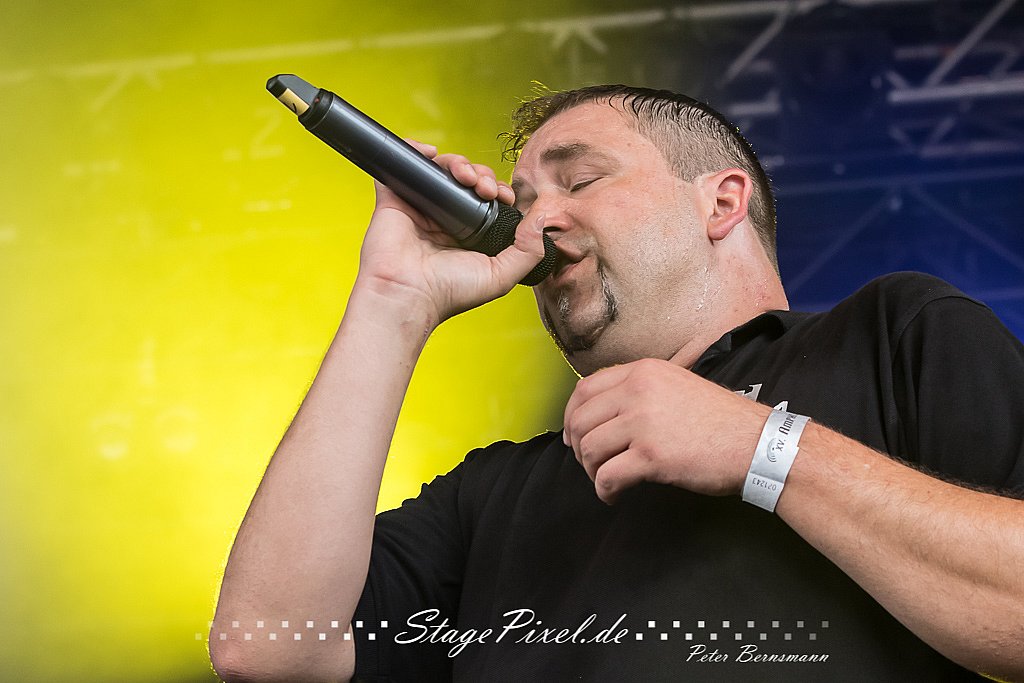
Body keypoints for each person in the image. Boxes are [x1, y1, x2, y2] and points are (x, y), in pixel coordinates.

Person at [209, 85, 1024, 682]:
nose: (535, 223)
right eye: (523, 202)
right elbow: (267, 647)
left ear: (722, 201)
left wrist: (761, 447)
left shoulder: (891, 333)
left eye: (580, 181)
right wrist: (393, 299)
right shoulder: (492, 493)